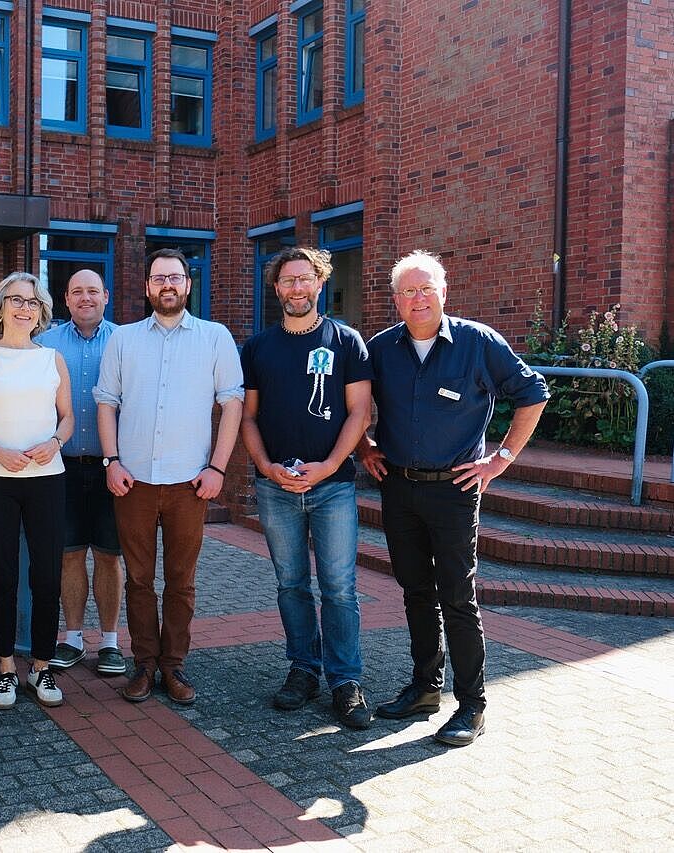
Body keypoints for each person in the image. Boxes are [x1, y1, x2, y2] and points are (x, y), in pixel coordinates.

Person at [357, 250, 548, 747]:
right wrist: (364, 446)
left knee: (458, 598)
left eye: (426, 289)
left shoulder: (478, 342)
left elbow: (533, 394)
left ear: (443, 292)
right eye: (408, 291)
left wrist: (501, 458)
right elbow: (352, 402)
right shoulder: (381, 349)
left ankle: (471, 705)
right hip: (399, 487)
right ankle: (425, 688)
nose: (417, 299)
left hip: (455, 490)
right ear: (396, 300)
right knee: (415, 591)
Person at [95, 249, 244, 706]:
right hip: (133, 482)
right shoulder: (123, 340)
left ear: (187, 285)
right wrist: (111, 461)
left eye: (175, 277)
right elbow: (106, 403)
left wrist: (217, 467)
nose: (167, 285)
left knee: (181, 581)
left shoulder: (215, 338)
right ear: (146, 287)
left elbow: (232, 404)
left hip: (189, 484)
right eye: (159, 278)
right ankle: (144, 664)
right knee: (138, 580)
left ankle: (173, 665)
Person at [239, 247, 373, 729]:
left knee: (339, 587)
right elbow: (248, 418)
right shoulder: (257, 348)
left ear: (320, 283)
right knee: (291, 584)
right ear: (276, 288)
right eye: (288, 280)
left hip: (333, 487)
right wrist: (266, 467)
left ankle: (345, 681)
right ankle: (303, 669)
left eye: (305, 279)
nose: (297, 288)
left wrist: (330, 465)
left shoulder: (346, 341)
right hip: (276, 488)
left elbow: (359, 412)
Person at [0, 271, 74, 710]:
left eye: (32, 301)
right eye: (15, 300)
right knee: (3, 576)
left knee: (47, 577)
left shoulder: (53, 359)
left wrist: (55, 442)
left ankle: (41, 665)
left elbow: (68, 419)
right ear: (0, 308)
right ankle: (6, 668)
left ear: (41, 312)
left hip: (46, 479)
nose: (24, 308)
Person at [35, 270, 125, 677]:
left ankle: (109, 642)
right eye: (77, 292)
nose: (85, 298)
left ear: (105, 296)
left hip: (113, 468)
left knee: (108, 555)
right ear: (66, 299)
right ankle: (72, 638)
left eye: (92, 291)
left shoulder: (125, 341)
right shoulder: (45, 344)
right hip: (62, 467)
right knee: (69, 555)